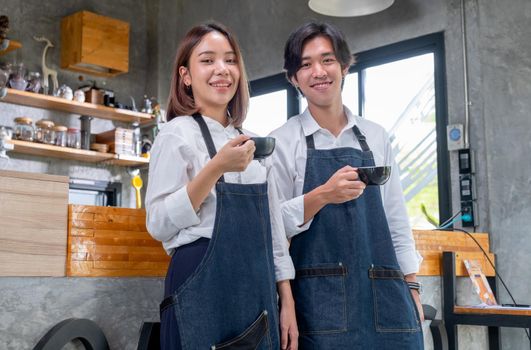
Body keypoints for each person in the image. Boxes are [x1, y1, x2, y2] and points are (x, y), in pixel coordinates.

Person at [269, 21, 424, 349]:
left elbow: (395, 218)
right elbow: (271, 225)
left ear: (344, 65)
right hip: (317, 304)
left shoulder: (376, 136)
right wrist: (324, 194)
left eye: (327, 60)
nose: (318, 71)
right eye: (306, 64)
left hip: (384, 296)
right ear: (294, 78)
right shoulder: (282, 142)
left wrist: (412, 285)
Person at [145, 22, 298, 350]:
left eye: (230, 60)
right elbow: (157, 223)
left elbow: (272, 230)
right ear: (186, 75)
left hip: (257, 287)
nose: (222, 70)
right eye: (208, 60)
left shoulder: (254, 143)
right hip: (200, 281)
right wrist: (215, 168)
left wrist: (286, 301)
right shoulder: (175, 135)